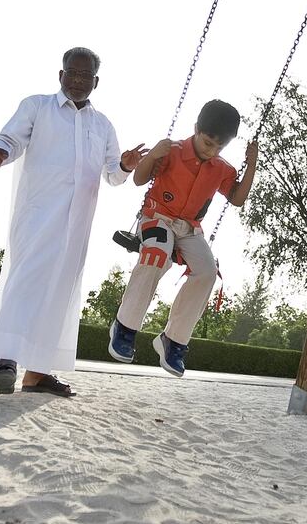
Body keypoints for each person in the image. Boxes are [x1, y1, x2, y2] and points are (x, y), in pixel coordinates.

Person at [0, 47, 147, 397]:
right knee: (24, 280)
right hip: (38, 213)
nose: (77, 80)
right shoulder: (37, 106)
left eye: (85, 76)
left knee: (61, 294)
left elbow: (114, 175)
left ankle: (37, 376)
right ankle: (6, 361)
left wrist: (128, 165)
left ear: (95, 82)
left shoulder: (102, 124)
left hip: (77, 225)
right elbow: (11, 138)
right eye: (72, 73)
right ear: (60, 75)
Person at [108, 100, 258, 377]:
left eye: (218, 147)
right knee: (156, 255)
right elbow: (139, 180)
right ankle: (125, 327)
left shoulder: (222, 169)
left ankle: (173, 340)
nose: (210, 150)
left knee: (207, 272)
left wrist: (252, 166)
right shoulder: (172, 151)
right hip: (156, 217)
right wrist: (153, 155)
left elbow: (237, 199)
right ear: (196, 129)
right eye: (206, 141)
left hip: (190, 229)